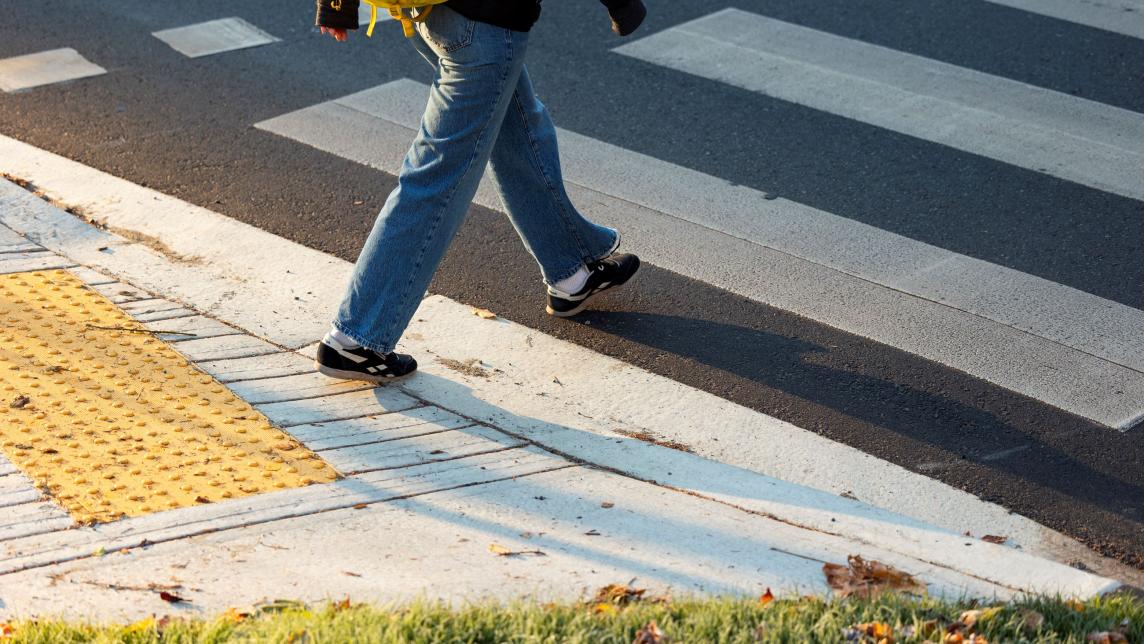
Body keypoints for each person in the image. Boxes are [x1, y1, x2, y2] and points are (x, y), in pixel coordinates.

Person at [313, 0, 647, 383]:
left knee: (519, 131)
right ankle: (357, 338)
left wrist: (336, 4)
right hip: (484, 25)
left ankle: (572, 270)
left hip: (435, 14)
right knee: (438, 178)